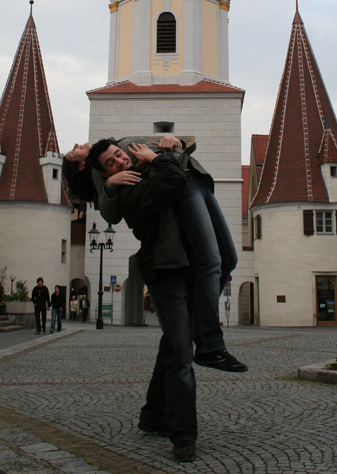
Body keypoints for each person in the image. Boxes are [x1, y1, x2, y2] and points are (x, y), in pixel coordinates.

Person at [64, 135, 245, 372]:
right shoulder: (98, 170)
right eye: (71, 152)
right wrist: (111, 184)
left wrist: (176, 141)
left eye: (118, 155)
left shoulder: (113, 145)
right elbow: (110, 213)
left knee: (228, 259)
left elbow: (185, 142)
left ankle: (196, 331)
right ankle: (209, 345)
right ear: (80, 165)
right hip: (181, 183)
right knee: (210, 261)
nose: (76, 145)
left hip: (197, 177)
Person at [90, 140, 198, 462]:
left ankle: (153, 414)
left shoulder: (146, 172)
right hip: (164, 271)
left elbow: (183, 168)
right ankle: (184, 435)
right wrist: (159, 157)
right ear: (106, 173)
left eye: (119, 154)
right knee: (181, 353)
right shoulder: (128, 192)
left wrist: (172, 146)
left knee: (173, 345)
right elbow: (176, 180)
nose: (120, 161)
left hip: (187, 265)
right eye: (111, 163)